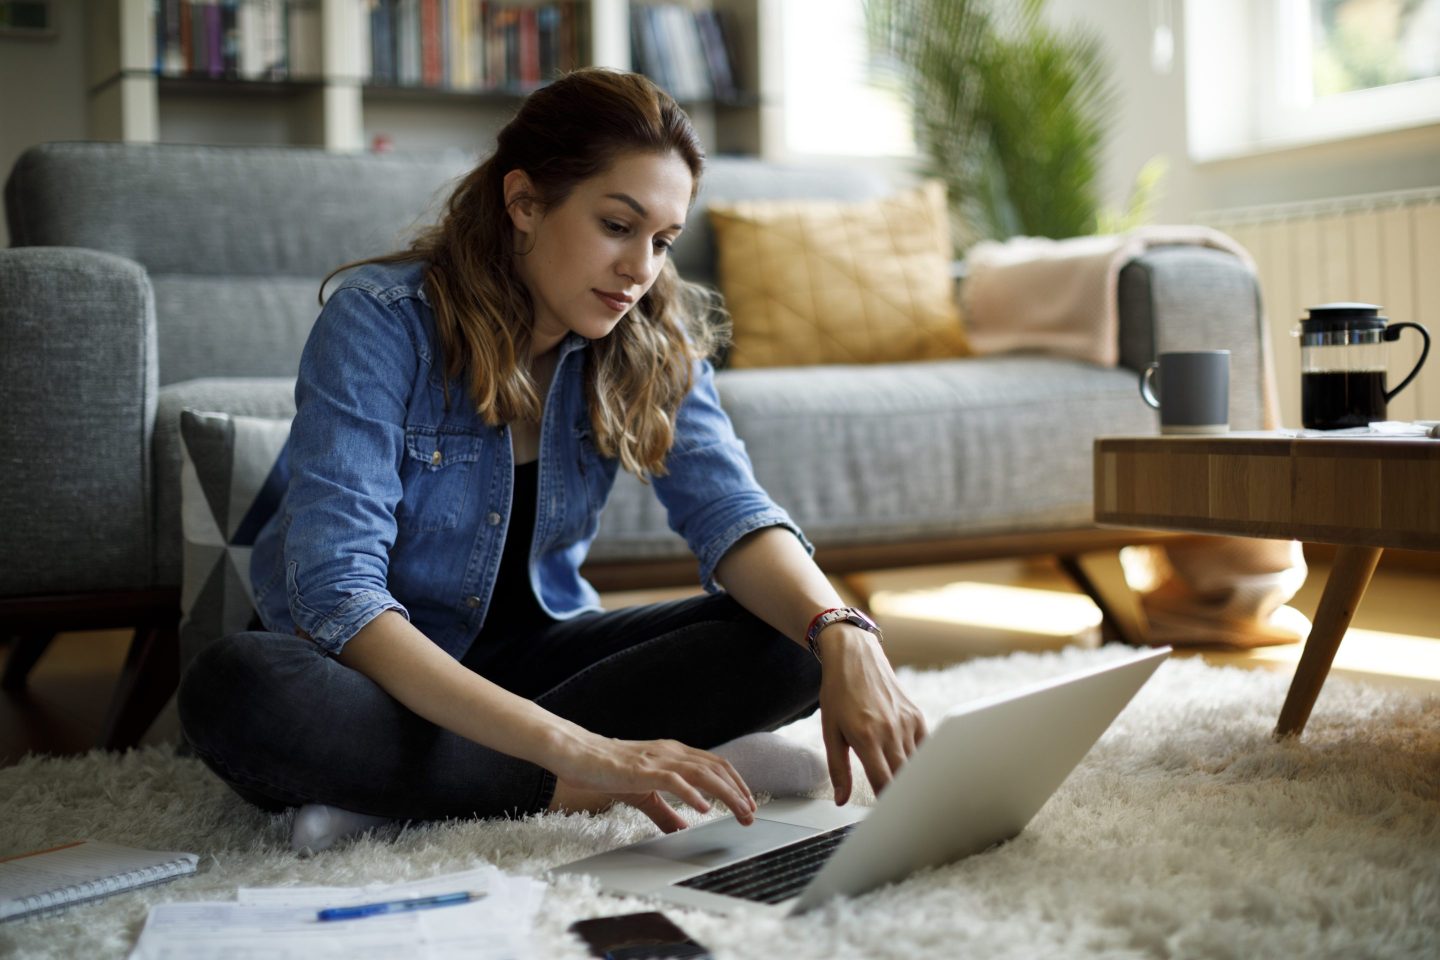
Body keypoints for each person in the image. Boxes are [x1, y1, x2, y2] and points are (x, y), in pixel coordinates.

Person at [177, 68, 926, 855]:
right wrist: (579, 750)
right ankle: (562, 783)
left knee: (789, 640)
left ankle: (408, 794)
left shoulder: (650, 342)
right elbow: (340, 597)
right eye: (616, 225)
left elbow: (731, 512)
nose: (642, 269)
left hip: (539, 669)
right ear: (525, 202)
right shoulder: (381, 323)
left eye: (662, 242)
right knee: (239, 690)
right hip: (375, 678)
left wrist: (845, 633)